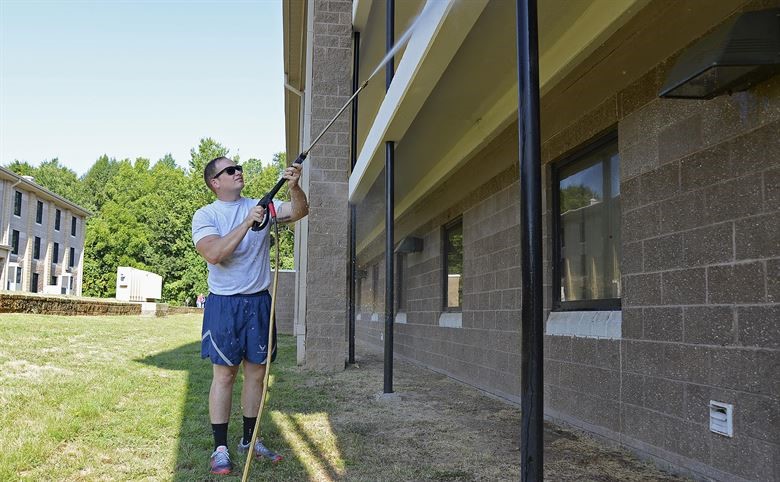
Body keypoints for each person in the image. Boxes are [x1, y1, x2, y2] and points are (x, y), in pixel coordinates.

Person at [191, 156, 308, 475]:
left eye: (238, 167)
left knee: (257, 374)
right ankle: (220, 448)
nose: (238, 172)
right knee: (225, 375)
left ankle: (250, 440)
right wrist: (246, 223)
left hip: (259, 303)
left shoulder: (263, 206)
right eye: (230, 170)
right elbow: (214, 254)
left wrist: (295, 188)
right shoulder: (206, 215)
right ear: (215, 182)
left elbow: (299, 211)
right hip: (224, 304)